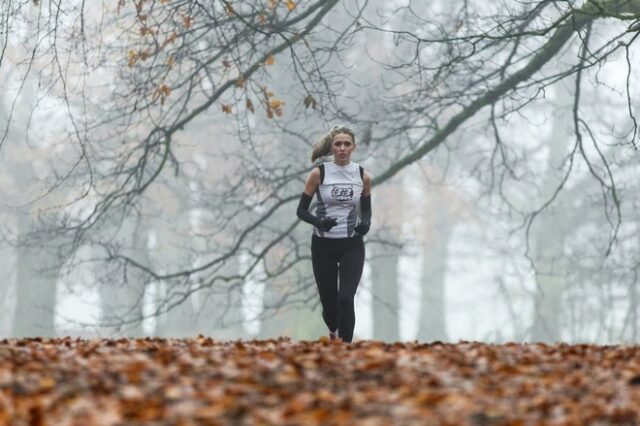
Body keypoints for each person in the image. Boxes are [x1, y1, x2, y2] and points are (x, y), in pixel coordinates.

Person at [296, 125, 372, 343]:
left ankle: (346, 349)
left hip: (352, 245)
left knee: (346, 299)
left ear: (353, 147)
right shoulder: (318, 174)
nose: (342, 148)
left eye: (347, 144)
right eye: (338, 144)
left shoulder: (362, 176)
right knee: (329, 305)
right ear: (332, 147)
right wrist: (318, 221)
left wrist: (365, 223)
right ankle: (333, 329)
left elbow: (366, 210)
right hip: (323, 245)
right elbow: (301, 210)